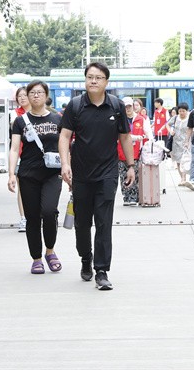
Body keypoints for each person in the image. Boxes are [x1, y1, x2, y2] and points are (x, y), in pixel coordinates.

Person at [58, 62, 135, 291]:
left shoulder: (116, 106)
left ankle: (101, 271)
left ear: (106, 82)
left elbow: (125, 137)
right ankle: (85, 258)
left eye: (98, 77)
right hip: (81, 174)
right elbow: (65, 136)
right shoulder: (75, 106)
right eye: (90, 77)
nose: (93, 81)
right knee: (82, 223)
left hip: (107, 173)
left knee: (103, 222)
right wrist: (65, 164)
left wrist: (130, 166)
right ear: (85, 80)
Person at [7, 80, 64, 274]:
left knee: (49, 211)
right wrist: (11, 174)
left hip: (52, 174)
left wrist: (68, 168)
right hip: (28, 174)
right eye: (32, 93)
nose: (36, 95)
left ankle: (50, 251)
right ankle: (36, 258)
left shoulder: (57, 119)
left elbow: (65, 145)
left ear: (46, 95)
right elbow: (14, 149)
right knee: (32, 217)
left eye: (40, 92)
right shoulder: (20, 121)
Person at [14, 87, 31, 232]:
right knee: (22, 188)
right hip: (20, 156)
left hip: (37, 157)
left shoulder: (38, 113)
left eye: (25, 95)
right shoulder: (14, 115)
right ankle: (23, 218)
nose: (22, 98)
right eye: (19, 96)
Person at [168, 103, 191, 185]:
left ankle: (184, 178)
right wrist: (170, 131)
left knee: (184, 161)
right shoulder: (175, 118)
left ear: (187, 111)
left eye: (183, 111)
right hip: (176, 143)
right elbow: (167, 124)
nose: (181, 113)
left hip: (186, 142)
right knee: (178, 162)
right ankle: (182, 178)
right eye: (180, 111)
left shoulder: (189, 119)